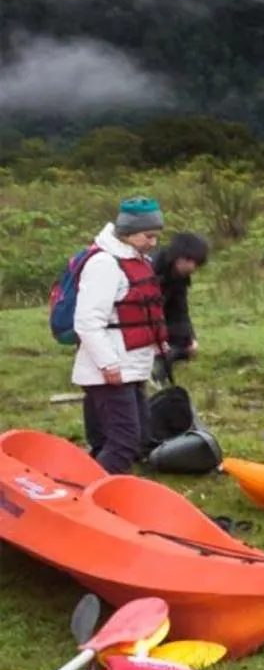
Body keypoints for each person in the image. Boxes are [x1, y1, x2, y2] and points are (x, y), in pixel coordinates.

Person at [70, 197, 172, 474]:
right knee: (124, 442)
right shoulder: (105, 264)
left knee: (131, 438)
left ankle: (88, 486)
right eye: (148, 236)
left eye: (155, 236)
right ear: (127, 233)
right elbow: (88, 321)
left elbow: (140, 311)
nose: (153, 242)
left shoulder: (139, 260)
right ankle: (90, 500)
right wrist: (108, 363)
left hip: (132, 365)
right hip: (111, 369)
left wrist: (157, 342)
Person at [152, 232, 210, 363]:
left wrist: (190, 338)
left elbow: (179, 311)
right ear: (179, 257)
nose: (192, 268)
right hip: (136, 324)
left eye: (196, 264)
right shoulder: (150, 269)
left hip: (161, 321)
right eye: (190, 261)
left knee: (184, 347)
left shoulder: (180, 277)